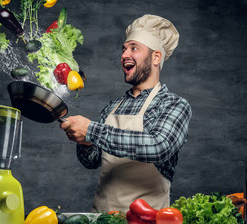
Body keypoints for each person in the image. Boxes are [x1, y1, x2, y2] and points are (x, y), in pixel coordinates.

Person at [60, 14, 192, 213]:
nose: (124, 55)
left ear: (156, 57)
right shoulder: (114, 106)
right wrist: (85, 142)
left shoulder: (174, 104)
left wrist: (91, 131)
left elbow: (158, 146)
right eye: (124, 49)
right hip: (103, 223)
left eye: (134, 48)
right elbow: (92, 161)